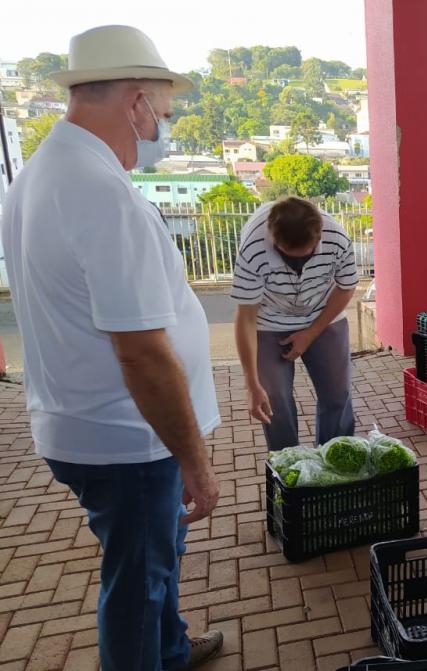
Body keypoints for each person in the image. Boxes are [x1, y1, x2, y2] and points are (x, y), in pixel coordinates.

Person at [0, 25, 223, 669]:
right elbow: (142, 354)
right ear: (136, 103)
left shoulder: (43, 173)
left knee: (154, 563)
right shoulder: (100, 192)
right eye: (165, 113)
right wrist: (196, 462)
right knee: (138, 587)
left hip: (91, 425)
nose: (163, 129)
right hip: (130, 441)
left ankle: (171, 651)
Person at [233, 196, 359, 450]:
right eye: (288, 256)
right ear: (273, 238)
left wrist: (311, 333)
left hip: (324, 312)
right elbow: (245, 317)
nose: (296, 265)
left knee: (338, 395)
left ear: (319, 236)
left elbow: (346, 287)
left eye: (306, 256)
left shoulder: (336, 237)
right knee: (274, 400)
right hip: (269, 320)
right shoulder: (254, 245)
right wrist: (251, 384)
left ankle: (334, 459)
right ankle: (289, 464)